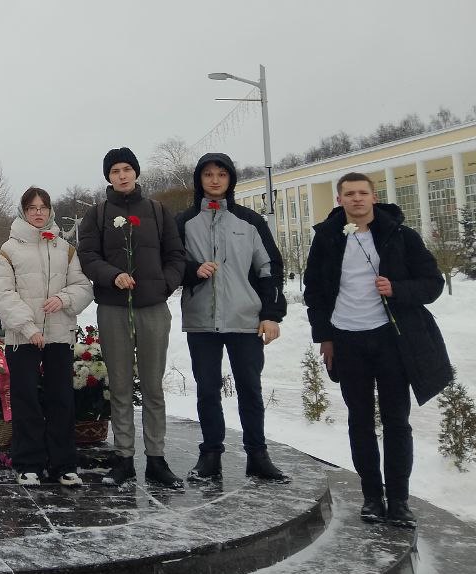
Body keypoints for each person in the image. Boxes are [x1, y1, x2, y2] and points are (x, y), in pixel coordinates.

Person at [305, 172, 445, 528]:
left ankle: (398, 501)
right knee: (360, 420)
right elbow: (314, 291)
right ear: (339, 200)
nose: (356, 199)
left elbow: (433, 283)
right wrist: (325, 337)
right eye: (349, 194)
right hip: (347, 340)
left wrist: (397, 288)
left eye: (362, 193)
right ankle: (371, 497)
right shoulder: (327, 237)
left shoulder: (400, 235)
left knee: (397, 421)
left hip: (390, 340)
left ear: (373, 197)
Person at [76, 147, 187, 488]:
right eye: (115, 171)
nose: (122, 175)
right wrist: (112, 276)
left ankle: (156, 459)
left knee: (153, 387)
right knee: (121, 386)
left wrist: (164, 285)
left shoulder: (157, 210)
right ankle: (124, 458)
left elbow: (176, 255)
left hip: (153, 309)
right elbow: (87, 256)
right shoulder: (97, 215)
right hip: (113, 308)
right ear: (108, 177)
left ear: (136, 172)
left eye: (127, 169)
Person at [175, 153, 289, 483]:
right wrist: (193, 271)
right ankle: (210, 455)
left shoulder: (250, 222)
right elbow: (170, 263)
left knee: (250, 389)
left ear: (230, 179)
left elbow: (269, 268)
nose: (214, 180)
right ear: (199, 179)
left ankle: (258, 455)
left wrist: (271, 314)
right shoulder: (183, 222)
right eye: (208, 174)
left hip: (245, 320)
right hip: (201, 321)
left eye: (221, 174)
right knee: (207, 390)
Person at [0, 188, 94, 487]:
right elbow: (2, 294)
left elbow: (83, 287)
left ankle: (64, 464)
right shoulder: (9, 249)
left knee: (61, 399)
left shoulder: (65, 249)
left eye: (43, 207)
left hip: (59, 335)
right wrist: (28, 327)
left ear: (50, 210)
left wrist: (64, 299)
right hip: (23, 337)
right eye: (32, 208)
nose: (38, 213)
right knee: (26, 399)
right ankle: (29, 463)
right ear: (23, 212)